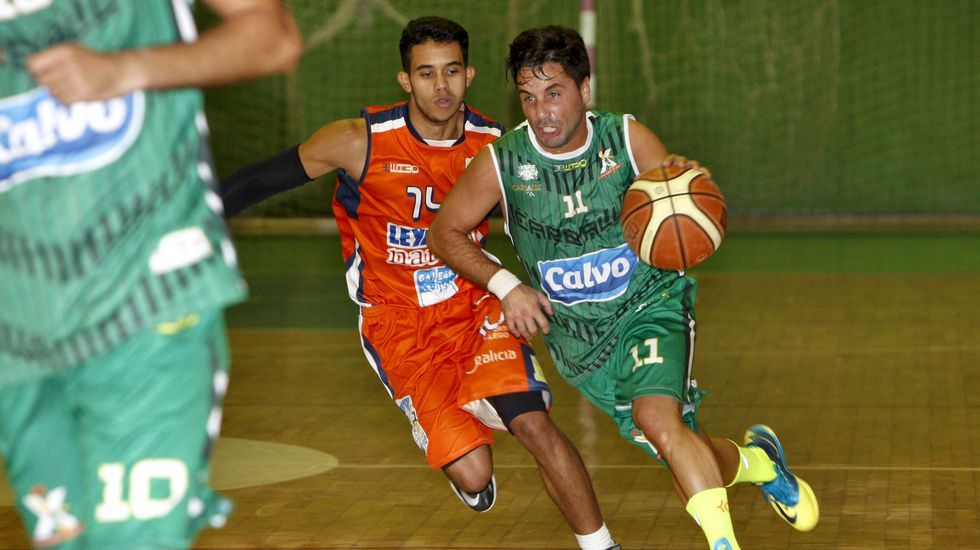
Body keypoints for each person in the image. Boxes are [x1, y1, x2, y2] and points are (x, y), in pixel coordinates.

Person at [220, 16, 620, 550]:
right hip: (399, 325)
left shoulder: (494, 146)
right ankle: (446, 421)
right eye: (426, 74)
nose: (441, 87)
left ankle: (601, 544)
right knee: (474, 476)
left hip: (476, 309)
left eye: (451, 72)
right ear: (405, 80)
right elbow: (258, 180)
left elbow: (549, 217)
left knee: (535, 424)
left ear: (469, 75)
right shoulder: (357, 141)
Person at [429, 25, 820, 550]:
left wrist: (690, 189)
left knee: (657, 418)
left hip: (649, 305)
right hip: (582, 347)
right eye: (528, 96)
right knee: (681, 447)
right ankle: (758, 462)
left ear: (584, 90)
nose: (542, 111)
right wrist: (506, 286)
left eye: (554, 93)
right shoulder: (503, 163)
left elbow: (683, 200)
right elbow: (444, 232)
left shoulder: (626, 138)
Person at [0, 1, 301, 548]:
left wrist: (123, 69)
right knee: (66, 539)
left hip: (147, 297)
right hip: (18, 332)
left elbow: (272, 36)